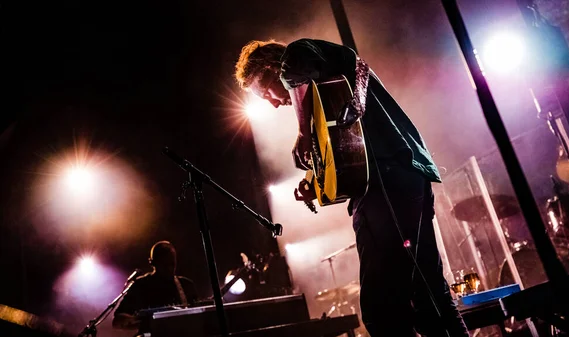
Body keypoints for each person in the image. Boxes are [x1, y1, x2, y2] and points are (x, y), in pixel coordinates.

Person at [235, 38, 469, 337]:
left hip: (386, 183)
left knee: (383, 307)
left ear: (272, 67)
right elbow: (347, 161)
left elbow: (297, 72)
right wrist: (315, 184)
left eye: (265, 91)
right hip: (401, 177)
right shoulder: (328, 94)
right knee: (429, 292)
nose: (272, 102)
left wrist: (303, 133)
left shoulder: (297, 53)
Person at [112, 240, 199, 333]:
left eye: (172, 264)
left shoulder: (186, 285)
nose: (169, 268)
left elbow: (198, 317)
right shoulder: (141, 285)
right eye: (164, 265)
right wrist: (143, 322)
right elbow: (118, 321)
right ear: (152, 263)